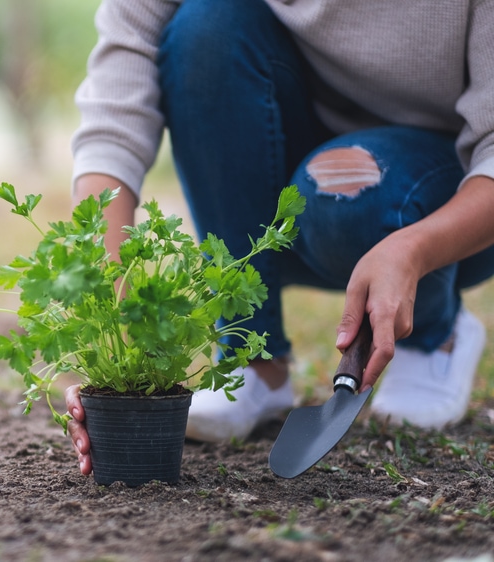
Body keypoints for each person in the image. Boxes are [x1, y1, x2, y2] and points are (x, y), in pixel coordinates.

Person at [65, 0, 494, 477]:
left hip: (449, 188)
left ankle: (435, 335)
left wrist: (413, 250)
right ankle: (254, 359)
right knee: (206, 27)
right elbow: (115, 112)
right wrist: (110, 337)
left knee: (347, 191)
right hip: (282, 149)